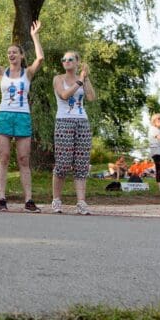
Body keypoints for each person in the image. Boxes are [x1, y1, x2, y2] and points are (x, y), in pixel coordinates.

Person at [0, 20, 44, 212]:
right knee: (4, 157)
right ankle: (1, 198)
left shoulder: (28, 74)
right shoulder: (2, 73)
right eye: (9, 52)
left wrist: (35, 36)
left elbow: (40, 58)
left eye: (14, 52)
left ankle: (28, 200)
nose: (11, 54)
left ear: (21, 55)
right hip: (5, 116)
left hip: (22, 116)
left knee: (24, 159)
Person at [51, 50, 96, 215]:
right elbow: (63, 95)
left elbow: (91, 98)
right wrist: (79, 81)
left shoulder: (82, 79)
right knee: (62, 163)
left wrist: (86, 78)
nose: (67, 61)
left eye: (70, 59)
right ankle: (56, 200)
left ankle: (81, 202)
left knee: (82, 164)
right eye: (64, 59)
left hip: (82, 121)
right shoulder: (58, 78)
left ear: (77, 62)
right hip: (64, 121)